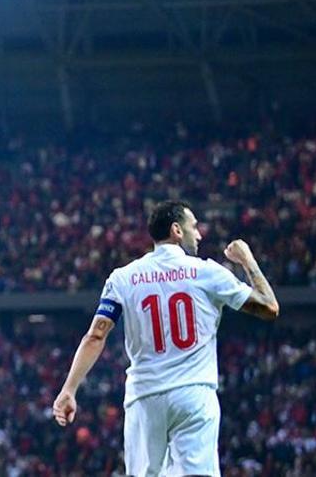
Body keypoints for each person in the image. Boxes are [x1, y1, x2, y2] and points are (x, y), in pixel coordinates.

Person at [53, 200, 280, 477]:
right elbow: (270, 307)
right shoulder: (207, 272)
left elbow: (95, 335)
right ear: (177, 230)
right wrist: (246, 259)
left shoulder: (123, 278)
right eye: (194, 227)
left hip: (145, 397)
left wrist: (69, 389)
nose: (199, 234)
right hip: (194, 394)